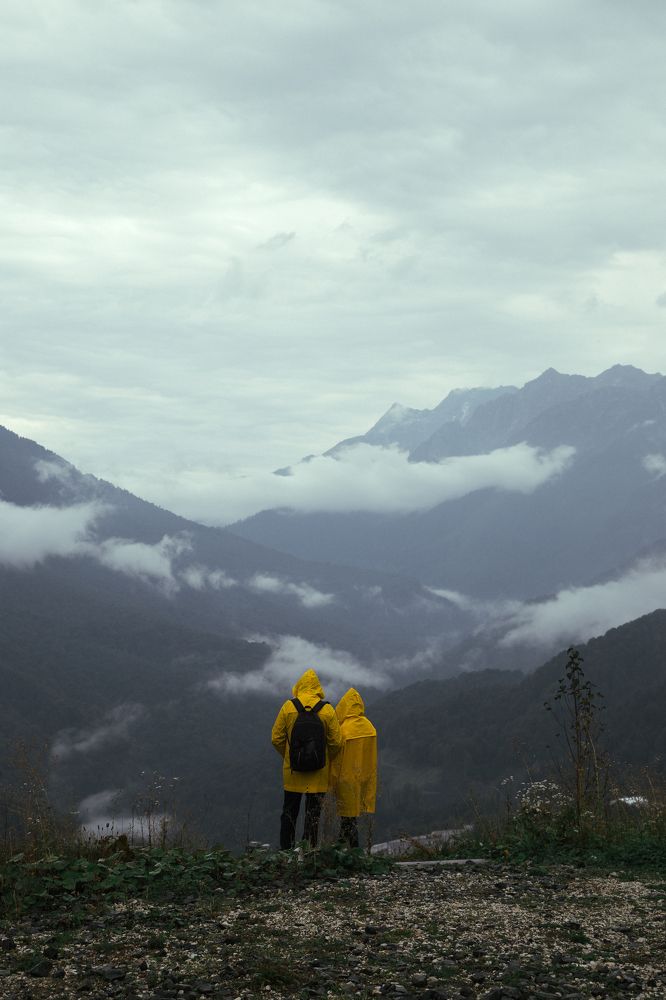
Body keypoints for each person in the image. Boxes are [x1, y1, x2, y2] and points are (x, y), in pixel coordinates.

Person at [271, 668, 343, 850]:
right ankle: (308, 852)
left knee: (289, 813)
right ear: (318, 688)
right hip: (319, 774)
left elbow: (276, 738)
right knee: (313, 815)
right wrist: (325, 758)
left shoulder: (288, 707)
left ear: (299, 687)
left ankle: (286, 853)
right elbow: (336, 743)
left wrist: (288, 757)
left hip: (293, 772)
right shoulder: (327, 710)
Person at [329, 687, 377, 848]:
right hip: (364, 777)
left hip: (346, 779)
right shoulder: (370, 728)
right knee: (350, 818)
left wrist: (331, 782)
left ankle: (352, 851)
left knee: (348, 817)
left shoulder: (343, 731)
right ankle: (345, 849)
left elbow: (336, 762)